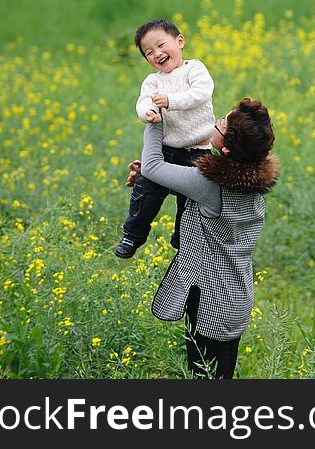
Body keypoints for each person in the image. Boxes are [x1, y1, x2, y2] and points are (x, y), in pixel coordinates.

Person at [127, 97, 278, 378]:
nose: (216, 124)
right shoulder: (252, 184)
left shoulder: (208, 184)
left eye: (221, 124)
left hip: (209, 300)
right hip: (237, 296)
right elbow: (188, 189)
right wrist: (156, 180)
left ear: (228, 148)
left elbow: (153, 166)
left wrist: (154, 120)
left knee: (204, 377)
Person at [115, 19, 216, 259]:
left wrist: (171, 101)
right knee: (146, 191)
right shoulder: (153, 81)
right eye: (149, 52)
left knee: (190, 202)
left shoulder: (195, 69)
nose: (157, 54)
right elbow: (144, 100)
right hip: (166, 149)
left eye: (161, 45)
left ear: (180, 41)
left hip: (197, 150)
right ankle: (132, 236)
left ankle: (183, 239)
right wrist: (147, 113)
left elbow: (201, 94)